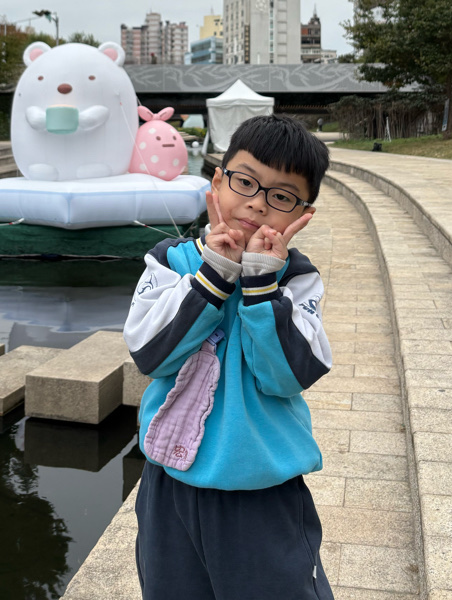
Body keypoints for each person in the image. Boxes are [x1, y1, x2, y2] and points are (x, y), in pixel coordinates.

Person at [124, 114, 334, 600]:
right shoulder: (169, 260)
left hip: (262, 492)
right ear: (217, 181)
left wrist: (261, 284)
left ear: (303, 213)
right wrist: (214, 274)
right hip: (169, 485)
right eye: (245, 182)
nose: (258, 203)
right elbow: (150, 355)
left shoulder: (297, 280)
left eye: (282, 196)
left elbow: (289, 376)